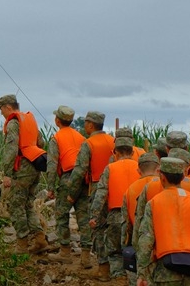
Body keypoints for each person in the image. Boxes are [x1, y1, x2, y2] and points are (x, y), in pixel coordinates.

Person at [136, 157, 190, 286]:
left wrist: (142, 273)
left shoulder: (153, 203)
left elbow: (145, 241)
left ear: (162, 176)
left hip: (167, 270)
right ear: (183, 176)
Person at [0, 94, 52, 254]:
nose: (1, 113)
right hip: (35, 167)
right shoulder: (30, 121)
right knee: (27, 204)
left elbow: (11, 149)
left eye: (1, 109)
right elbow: (41, 143)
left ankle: (21, 244)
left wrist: (7, 173)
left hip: (21, 170)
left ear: (8, 107)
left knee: (15, 205)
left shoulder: (14, 123)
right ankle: (40, 240)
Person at [68, 111, 115, 271]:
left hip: (96, 187)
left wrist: (71, 193)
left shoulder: (89, 144)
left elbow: (79, 171)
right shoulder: (113, 141)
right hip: (115, 187)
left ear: (90, 124)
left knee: (97, 228)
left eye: (85, 123)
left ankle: (102, 267)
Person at [91, 136, 141, 281]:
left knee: (115, 253)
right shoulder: (140, 168)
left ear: (115, 153)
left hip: (115, 216)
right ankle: (132, 279)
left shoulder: (110, 168)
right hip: (135, 216)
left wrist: (94, 216)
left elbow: (101, 193)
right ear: (132, 152)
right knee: (133, 250)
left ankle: (118, 278)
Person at [47, 105, 88, 265]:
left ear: (57, 120)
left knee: (62, 214)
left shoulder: (56, 138)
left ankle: (65, 251)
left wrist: (50, 188)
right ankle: (86, 256)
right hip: (83, 179)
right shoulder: (81, 137)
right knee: (83, 217)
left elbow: (52, 165)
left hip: (67, 179)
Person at [122, 152, 161, 286]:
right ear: (159, 168)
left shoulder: (129, 191)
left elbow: (127, 225)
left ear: (139, 171)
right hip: (165, 247)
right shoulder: (164, 185)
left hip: (142, 246)